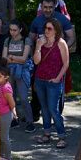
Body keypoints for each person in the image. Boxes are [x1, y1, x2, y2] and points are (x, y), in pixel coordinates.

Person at [33, 19, 70, 148]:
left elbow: (65, 63)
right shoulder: (41, 42)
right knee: (44, 108)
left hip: (54, 81)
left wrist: (58, 78)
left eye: (49, 29)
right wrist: (38, 47)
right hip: (40, 79)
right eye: (45, 28)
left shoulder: (61, 43)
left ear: (56, 30)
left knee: (53, 109)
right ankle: (47, 133)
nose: (46, 31)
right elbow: (36, 62)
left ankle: (61, 135)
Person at [3, 19, 34, 129]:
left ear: (20, 29)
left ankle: (30, 122)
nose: (12, 32)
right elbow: (4, 58)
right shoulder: (8, 40)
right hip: (10, 72)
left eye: (15, 30)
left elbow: (24, 59)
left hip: (22, 72)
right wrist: (17, 59)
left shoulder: (26, 40)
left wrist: (12, 58)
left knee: (24, 98)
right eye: (11, 30)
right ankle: (14, 120)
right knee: (11, 97)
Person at [0, 64, 16, 160]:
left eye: (0, 76)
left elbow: (11, 102)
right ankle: (1, 156)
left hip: (5, 115)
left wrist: (14, 112)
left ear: (6, 77)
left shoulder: (6, 88)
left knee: (4, 137)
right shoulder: (0, 84)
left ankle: (7, 158)